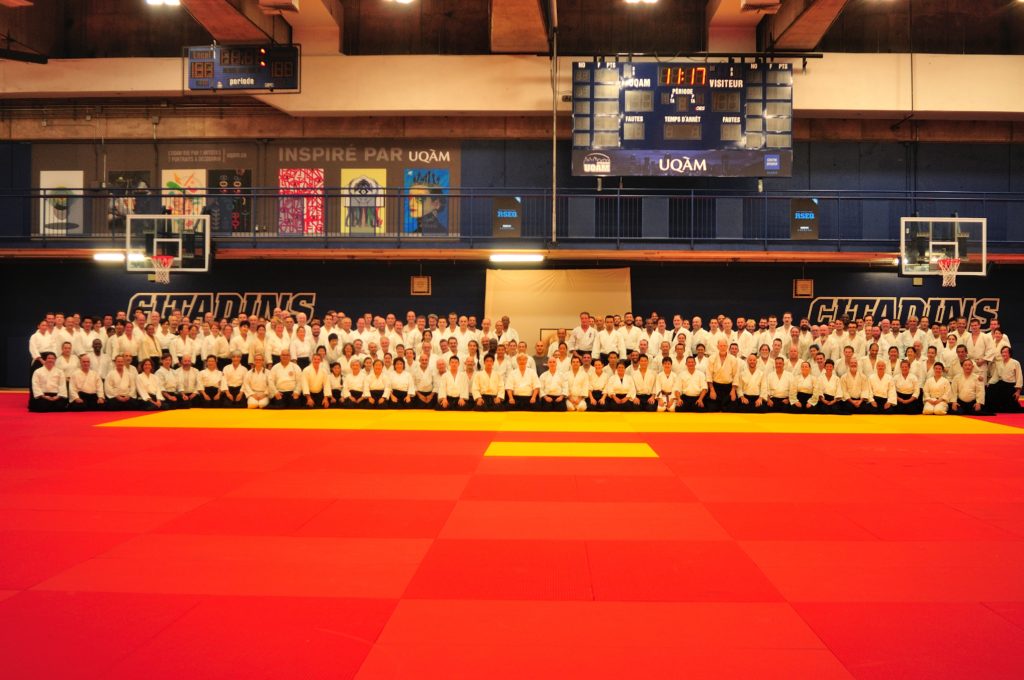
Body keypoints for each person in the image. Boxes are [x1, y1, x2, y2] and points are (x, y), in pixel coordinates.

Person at [989, 346, 1022, 413]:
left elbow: (1019, 377)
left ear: (1009, 353)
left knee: (1011, 408)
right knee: (990, 391)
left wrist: (1018, 391)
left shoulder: (1015, 362)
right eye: (1002, 352)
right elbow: (995, 376)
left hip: (1010, 386)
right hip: (1001, 385)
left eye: (1005, 352)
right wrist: (989, 383)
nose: (1004, 354)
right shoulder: (999, 363)